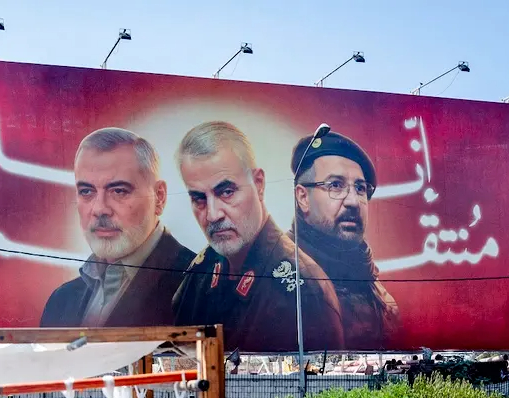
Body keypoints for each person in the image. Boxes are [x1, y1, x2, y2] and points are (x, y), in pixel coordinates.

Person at [171, 121, 343, 353]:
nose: (212, 215)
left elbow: (319, 381)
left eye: (227, 192)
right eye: (199, 198)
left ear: (259, 184)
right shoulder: (200, 272)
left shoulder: (304, 292)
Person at [40, 128, 193, 327]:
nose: (100, 209)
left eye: (119, 191)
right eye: (87, 191)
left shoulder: (198, 290)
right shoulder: (61, 301)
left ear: (159, 197)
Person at [290, 132, 399, 349]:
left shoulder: (380, 296)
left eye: (360, 188)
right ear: (303, 197)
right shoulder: (281, 275)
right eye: (335, 185)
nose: (353, 202)